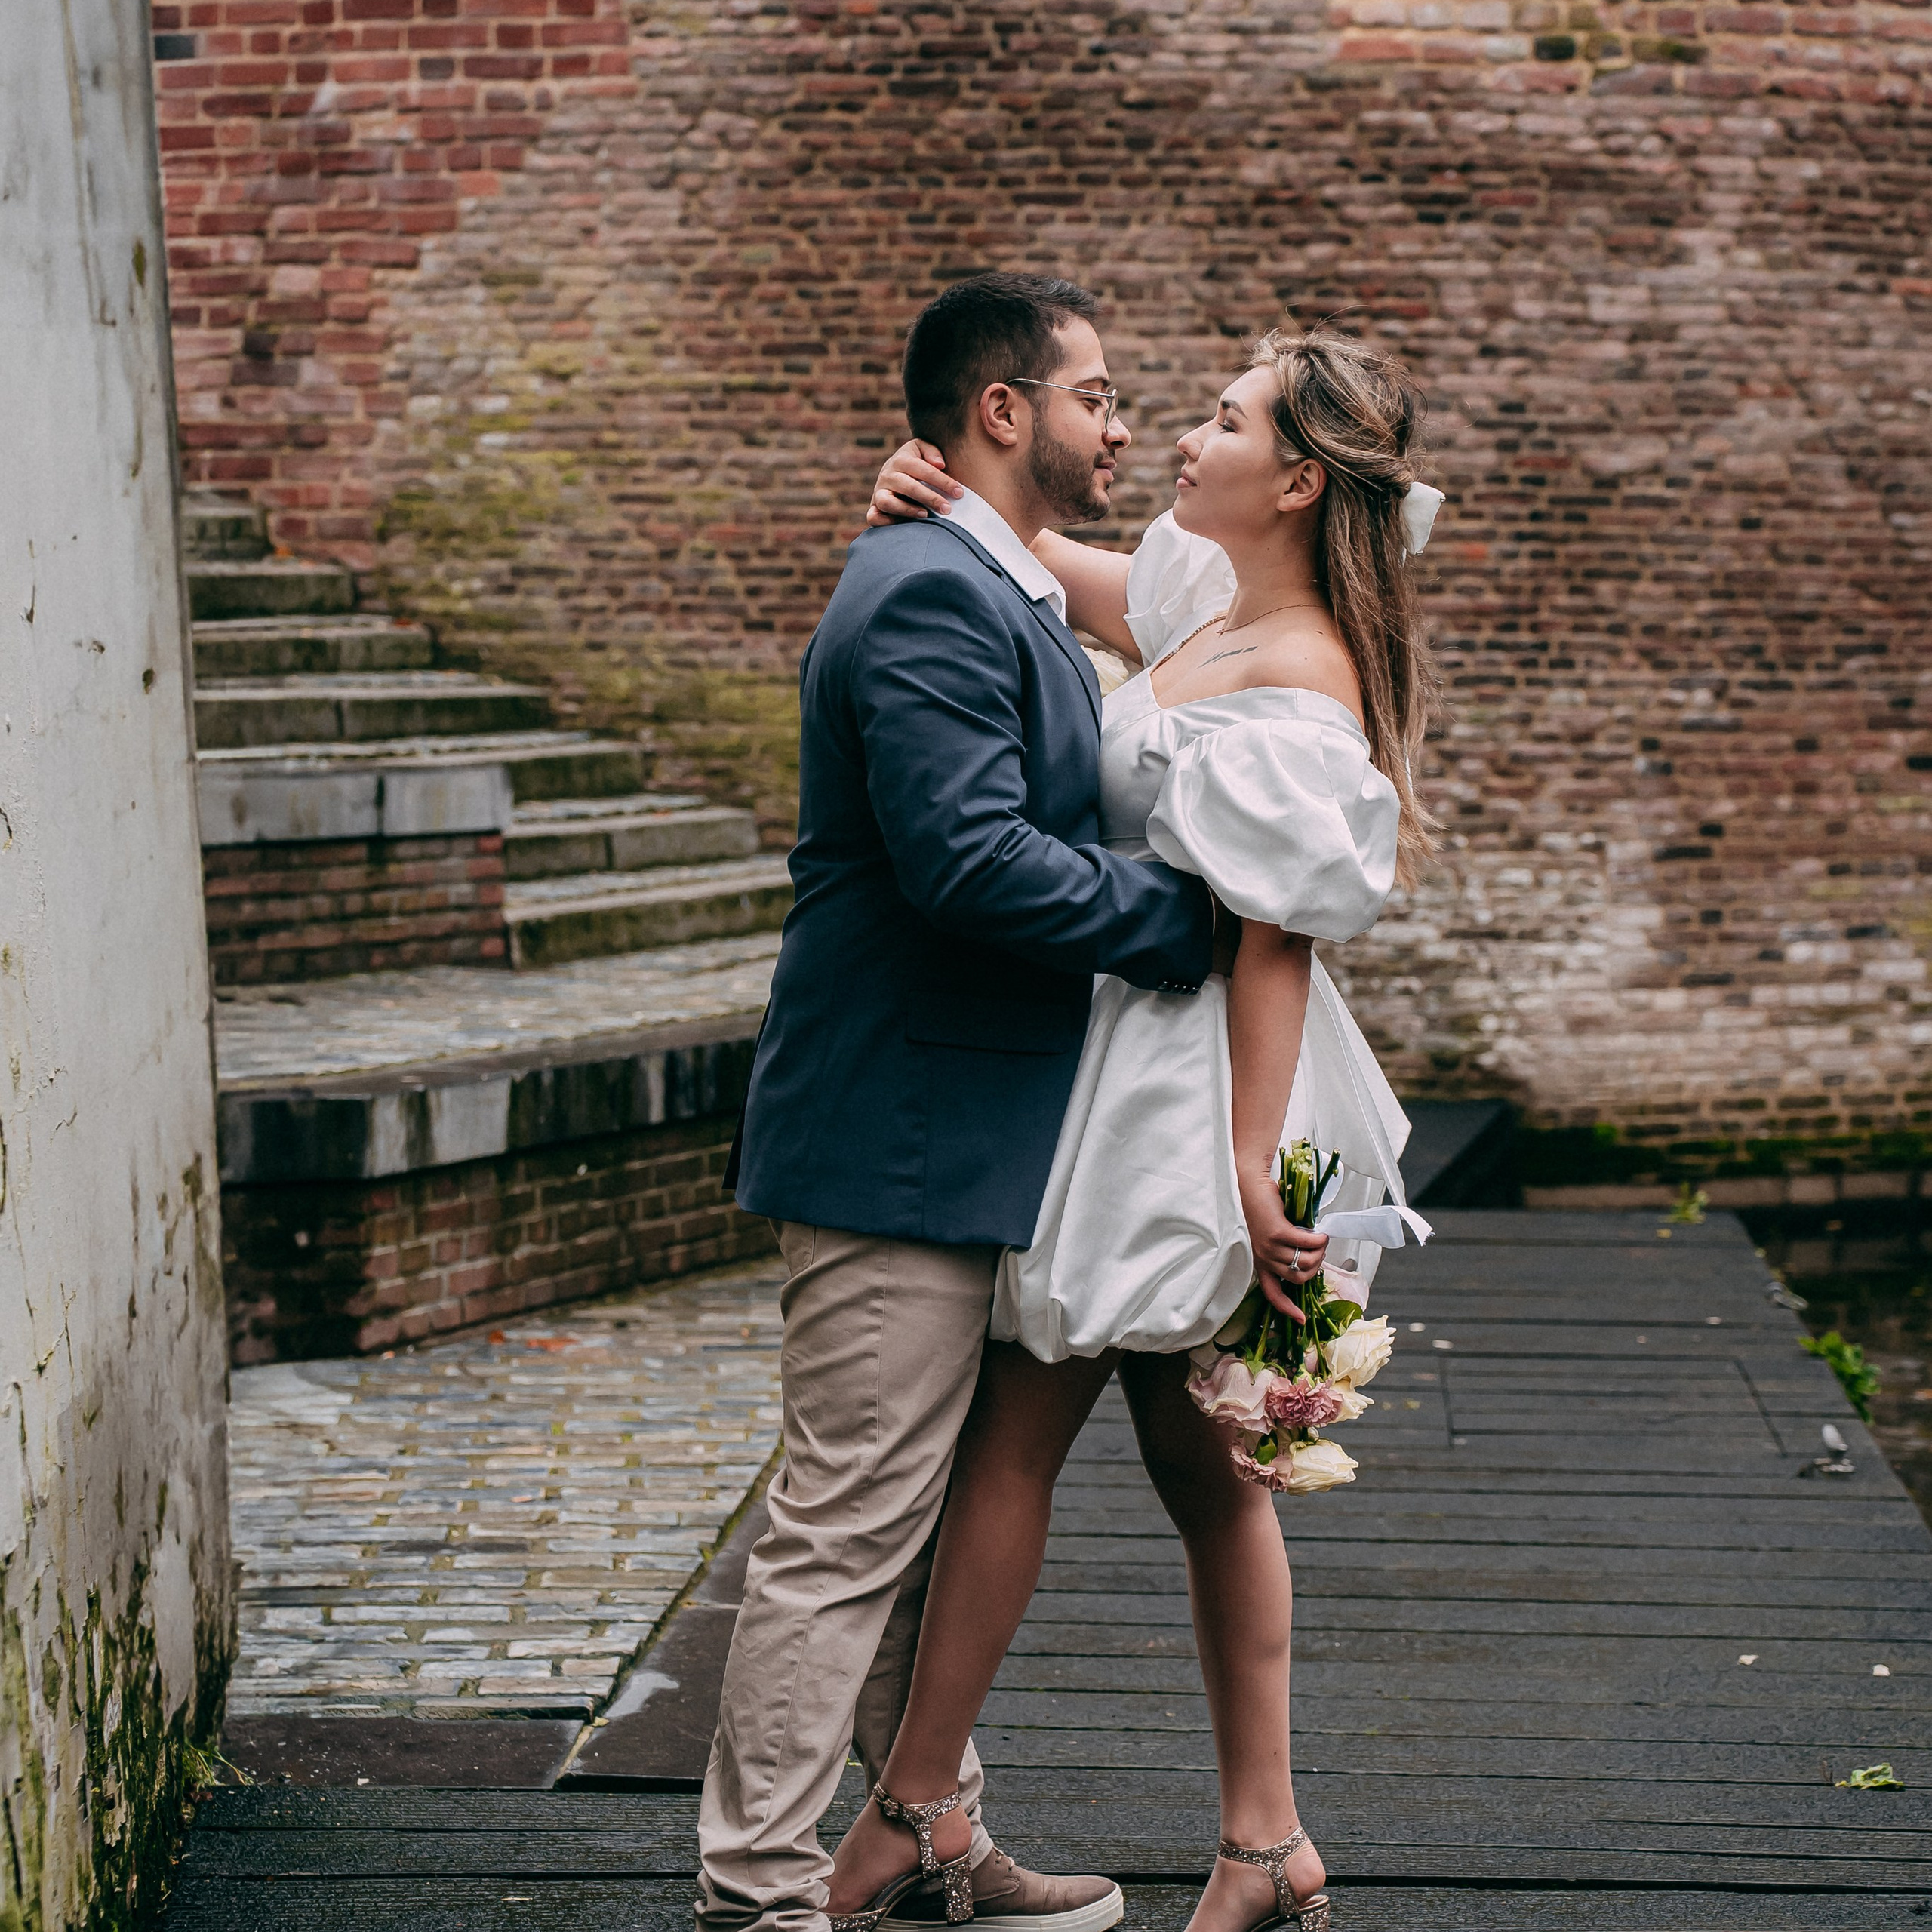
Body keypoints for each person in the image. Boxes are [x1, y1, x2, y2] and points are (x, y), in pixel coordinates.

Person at [699, 273, 1327, 1932]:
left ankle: (936, 1826)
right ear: (1002, 411)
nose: (1125, 424)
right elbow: (966, 856)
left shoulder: (1003, 577)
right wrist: (1193, 923)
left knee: (909, 1516)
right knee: (843, 1525)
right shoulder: (928, 591)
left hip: (1004, 1134)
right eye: (1098, 395)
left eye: (1163, 407)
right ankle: (759, 1894)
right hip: (898, 1131)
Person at [830, 326, 1444, 1932]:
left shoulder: (1301, 676)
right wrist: (931, 479)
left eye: (1223, 420)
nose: (1186, 434)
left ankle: (910, 1803)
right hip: (1134, 1050)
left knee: (1020, 1434)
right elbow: (1037, 549)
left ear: (1296, 477)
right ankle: (1261, 1841)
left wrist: (1248, 1162)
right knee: (1204, 1466)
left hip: (1185, 1088)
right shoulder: (1204, 599)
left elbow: (1270, 939)